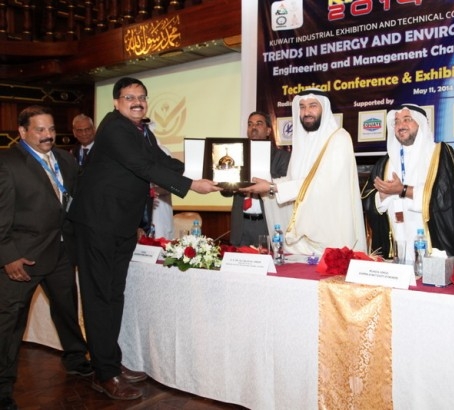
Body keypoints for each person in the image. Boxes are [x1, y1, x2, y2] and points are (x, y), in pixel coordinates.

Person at [67, 77, 222, 401]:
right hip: (97, 224)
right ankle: (105, 373)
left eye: (141, 97)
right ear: (116, 102)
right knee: (99, 298)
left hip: (121, 225)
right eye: (129, 97)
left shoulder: (141, 131)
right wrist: (192, 185)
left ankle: (109, 361)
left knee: (114, 295)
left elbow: (162, 162)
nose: (137, 102)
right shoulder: (115, 127)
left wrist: (208, 170)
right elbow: (142, 165)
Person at [0, 106, 92, 410]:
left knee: (67, 308)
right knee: (10, 324)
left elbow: (75, 201)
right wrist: (9, 256)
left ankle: (75, 358)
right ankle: (3, 388)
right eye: (39, 129)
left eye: (51, 129)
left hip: (62, 252)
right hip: (22, 259)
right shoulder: (7, 163)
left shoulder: (66, 160)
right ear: (22, 132)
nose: (47, 135)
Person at [242, 89, 366, 255]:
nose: (306, 112)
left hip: (331, 235)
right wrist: (268, 185)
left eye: (313, 106)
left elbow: (323, 184)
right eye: (302, 107)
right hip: (302, 239)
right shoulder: (302, 143)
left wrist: (273, 188)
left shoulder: (339, 139)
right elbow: (292, 179)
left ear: (324, 108)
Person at [364, 104, 454, 263]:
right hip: (397, 246)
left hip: (433, 244)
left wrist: (402, 190)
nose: (401, 125)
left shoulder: (439, 154)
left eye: (407, 119)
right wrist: (382, 196)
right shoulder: (385, 163)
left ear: (421, 123)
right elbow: (368, 199)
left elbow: (444, 197)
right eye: (396, 121)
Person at [224, 111, 290, 246]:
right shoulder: (237, 156)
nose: (253, 127)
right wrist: (227, 181)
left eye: (259, 124)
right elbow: (225, 192)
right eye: (250, 124)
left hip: (266, 223)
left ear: (268, 130)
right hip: (241, 224)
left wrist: (257, 177)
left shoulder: (282, 157)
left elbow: (284, 187)